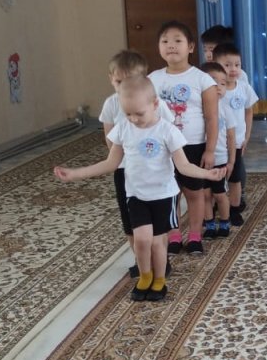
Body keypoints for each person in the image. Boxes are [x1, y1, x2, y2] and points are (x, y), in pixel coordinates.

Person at [54, 76, 224, 301]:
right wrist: (75, 174)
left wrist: (207, 174)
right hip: (136, 195)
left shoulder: (167, 131)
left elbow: (183, 166)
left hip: (163, 196)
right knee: (142, 240)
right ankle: (145, 276)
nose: (133, 119)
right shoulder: (124, 128)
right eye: (128, 114)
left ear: (155, 104)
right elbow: (110, 163)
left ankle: (159, 281)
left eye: (139, 113)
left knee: (157, 242)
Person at [99, 50, 175, 278]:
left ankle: (160, 259)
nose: (124, 86)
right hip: (126, 170)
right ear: (111, 79)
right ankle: (141, 262)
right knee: (131, 221)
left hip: (154, 172)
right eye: (118, 82)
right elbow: (110, 139)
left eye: (130, 80)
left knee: (158, 225)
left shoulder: (155, 104)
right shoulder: (111, 104)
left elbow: (168, 132)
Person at [148, 20, 218, 255]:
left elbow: (212, 118)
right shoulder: (152, 79)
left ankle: (195, 236)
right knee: (171, 193)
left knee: (194, 193)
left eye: (177, 41)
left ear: (190, 47)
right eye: (165, 41)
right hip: (164, 148)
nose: (171, 45)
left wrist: (210, 150)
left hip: (192, 145)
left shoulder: (202, 79)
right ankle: (174, 235)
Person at [213, 42, 259, 225]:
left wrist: (246, 136)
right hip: (216, 143)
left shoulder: (243, 88)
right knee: (215, 176)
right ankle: (213, 207)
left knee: (235, 177)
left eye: (237, 65)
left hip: (237, 142)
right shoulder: (212, 89)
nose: (233, 69)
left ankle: (234, 209)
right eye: (227, 65)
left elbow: (249, 111)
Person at [199, 62, 237, 238]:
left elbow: (231, 137)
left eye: (223, 83)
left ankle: (224, 222)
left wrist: (231, 161)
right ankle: (209, 224)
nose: (219, 87)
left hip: (220, 159)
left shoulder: (226, 108)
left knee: (220, 194)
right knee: (205, 194)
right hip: (201, 158)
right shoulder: (198, 109)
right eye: (214, 82)